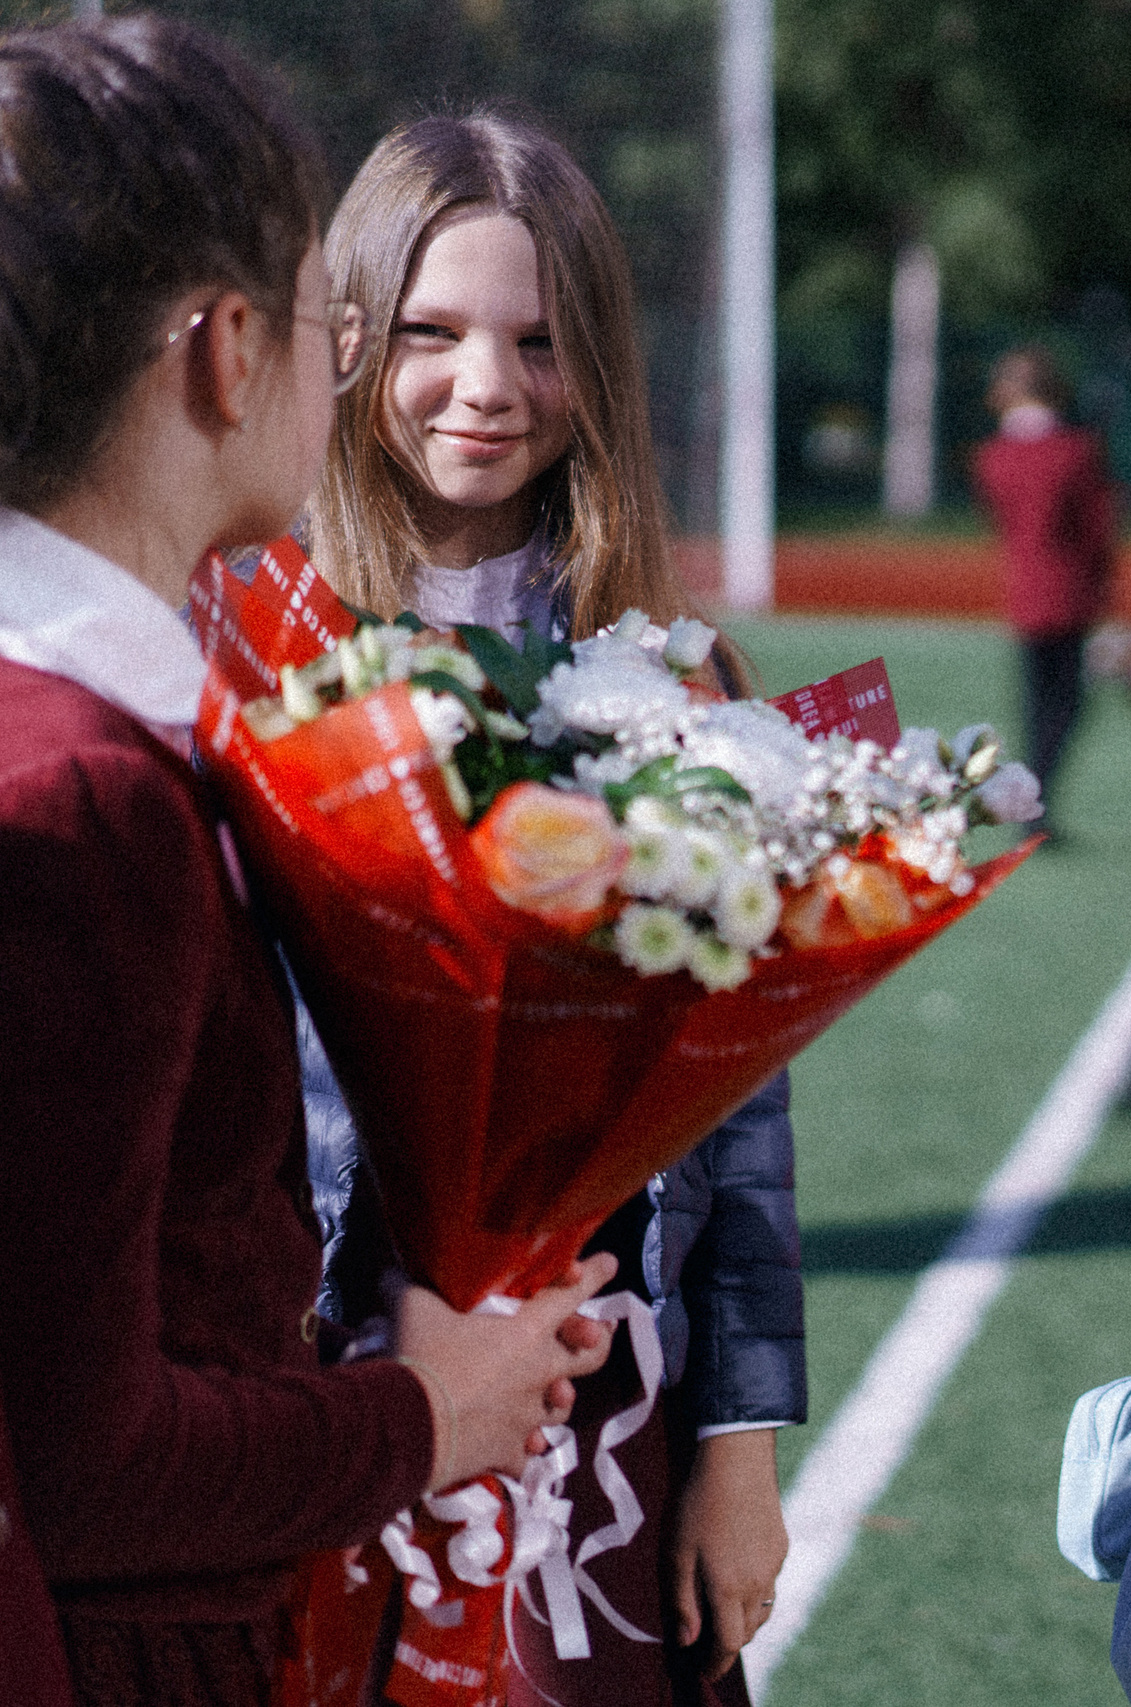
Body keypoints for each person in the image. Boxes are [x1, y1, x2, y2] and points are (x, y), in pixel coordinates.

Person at [0, 20, 615, 1706]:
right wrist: (430, 1410)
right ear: (223, 353)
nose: (340, 377)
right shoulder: (80, 794)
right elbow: (85, 1459)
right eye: (324, 325)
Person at [302, 112, 802, 1699]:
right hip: (332, 1379)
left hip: (605, 1390)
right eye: (432, 333)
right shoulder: (261, 647)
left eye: (538, 340)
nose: (488, 385)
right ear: (347, 338)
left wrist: (740, 1442)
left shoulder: (680, 676)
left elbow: (741, 1108)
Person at [969, 346, 1117, 837]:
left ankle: (1031, 798)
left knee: (1036, 701)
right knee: (1066, 703)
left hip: (1024, 590)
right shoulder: (1076, 451)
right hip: (1071, 590)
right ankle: (1037, 798)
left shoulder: (993, 456)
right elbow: (1098, 528)